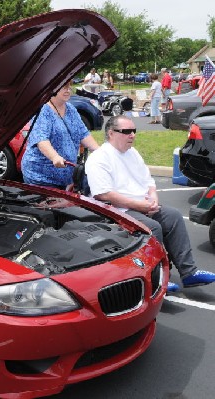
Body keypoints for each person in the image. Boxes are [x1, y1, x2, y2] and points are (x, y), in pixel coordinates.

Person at [85, 115, 215, 293]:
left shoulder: (133, 153)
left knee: (174, 216)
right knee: (152, 227)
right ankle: (157, 278)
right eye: (126, 132)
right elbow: (103, 194)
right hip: (116, 210)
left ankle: (189, 272)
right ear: (111, 133)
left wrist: (153, 197)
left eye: (134, 131)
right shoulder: (99, 158)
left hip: (141, 205)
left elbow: (149, 182)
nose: (132, 135)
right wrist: (140, 206)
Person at [21, 80, 99, 190]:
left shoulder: (71, 109)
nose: (68, 89)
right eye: (63, 86)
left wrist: (99, 152)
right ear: (51, 89)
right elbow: (41, 139)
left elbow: (84, 134)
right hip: (41, 177)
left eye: (69, 86)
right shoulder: (42, 110)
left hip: (66, 178)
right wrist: (55, 157)